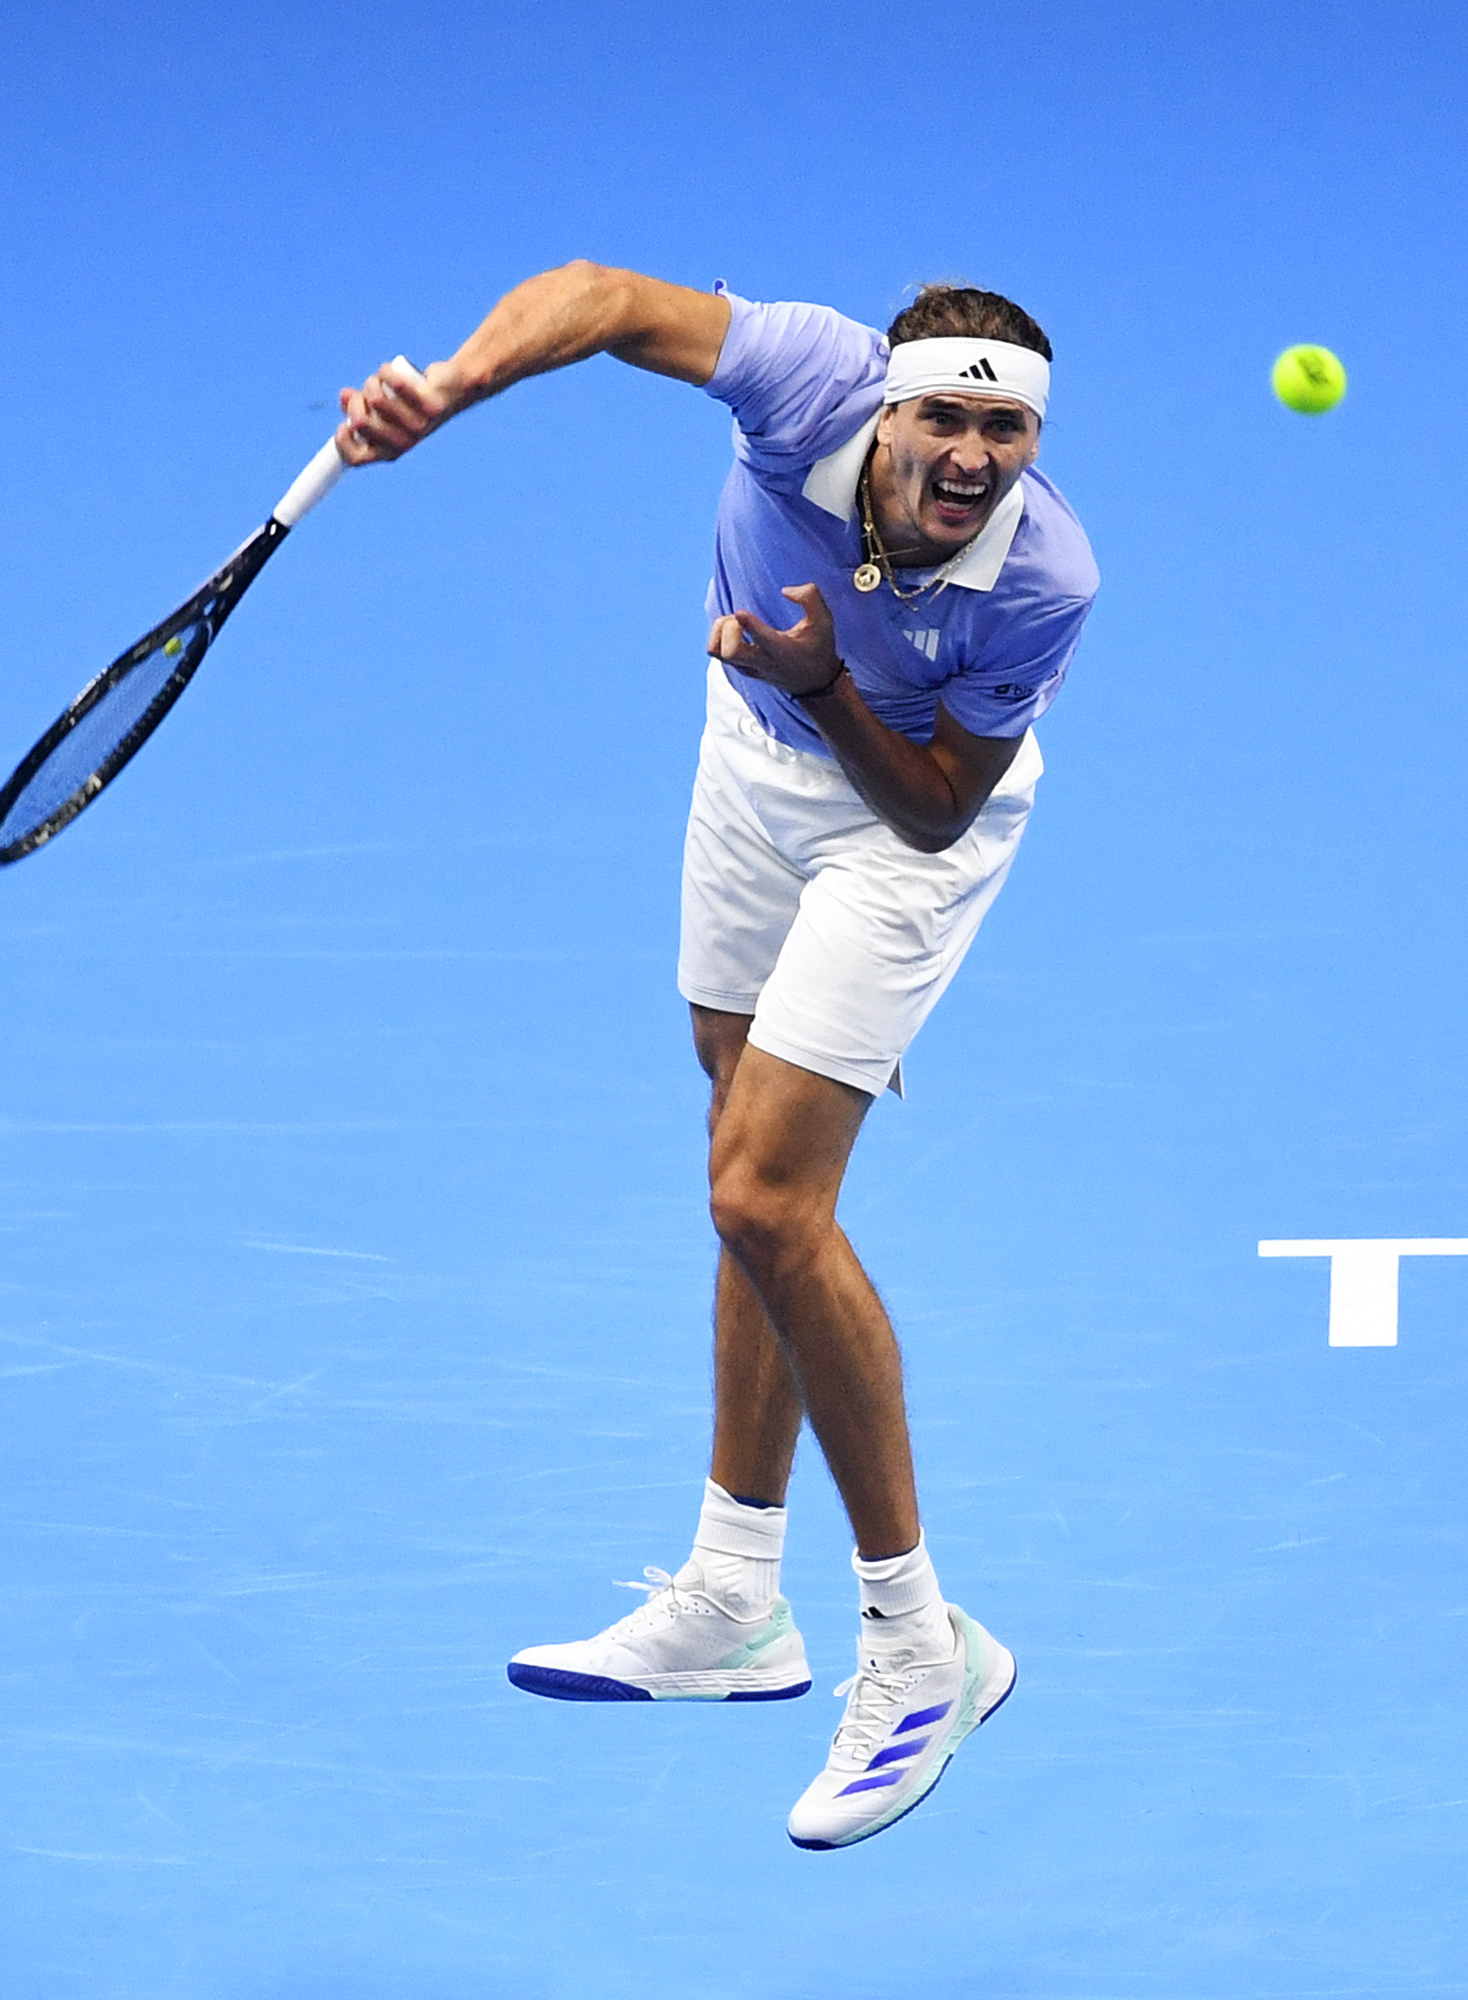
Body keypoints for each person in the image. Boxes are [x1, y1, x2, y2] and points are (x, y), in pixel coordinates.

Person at [331, 260, 1095, 1849]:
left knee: (764, 1199)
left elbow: (939, 809)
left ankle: (920, 1644)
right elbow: (607, 299)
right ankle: (738, 1601)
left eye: (1006, 433)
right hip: (749, 755)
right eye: (947, 415)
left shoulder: (1045, 580)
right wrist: (452, 389)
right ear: (886, 404)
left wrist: (824, 679)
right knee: (732, 1129)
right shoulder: (804, 378)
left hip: (902, 828)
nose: (972, 457)